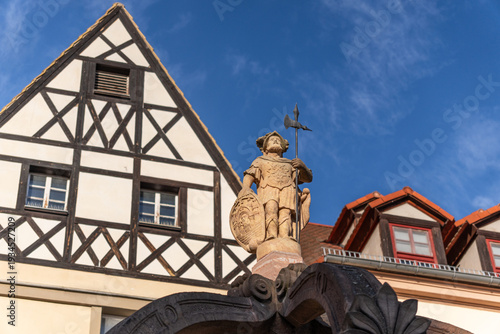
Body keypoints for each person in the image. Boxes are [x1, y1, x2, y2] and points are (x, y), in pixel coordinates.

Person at [239, 131, 312, 241]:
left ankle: (285, 236)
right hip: (268, 189)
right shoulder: (260, 161)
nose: (275, 141)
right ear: (265, 148)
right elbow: (250, 174)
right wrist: (245, 187)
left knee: (285, 213)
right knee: (270, 209)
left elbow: (307, 178)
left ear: (283, 147)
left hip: (288, 190)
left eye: (278, 141)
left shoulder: (290, 163)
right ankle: (271, 234)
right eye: (272, 140)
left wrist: (303, 166)